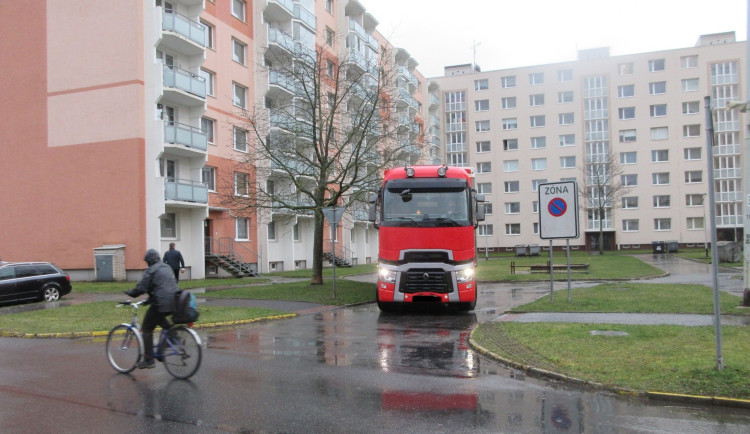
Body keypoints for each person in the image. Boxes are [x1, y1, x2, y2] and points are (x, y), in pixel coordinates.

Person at [125, 249, 177, 369]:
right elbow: (162, 287)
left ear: (149, 261)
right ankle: (172, 339)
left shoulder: (151, 270)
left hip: (160, 304)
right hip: (174, 301)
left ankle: (149, 360)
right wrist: (148, 300)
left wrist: (131, 293)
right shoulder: (167, 267)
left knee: (147, 329)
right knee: (162, 321)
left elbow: (141, 288)